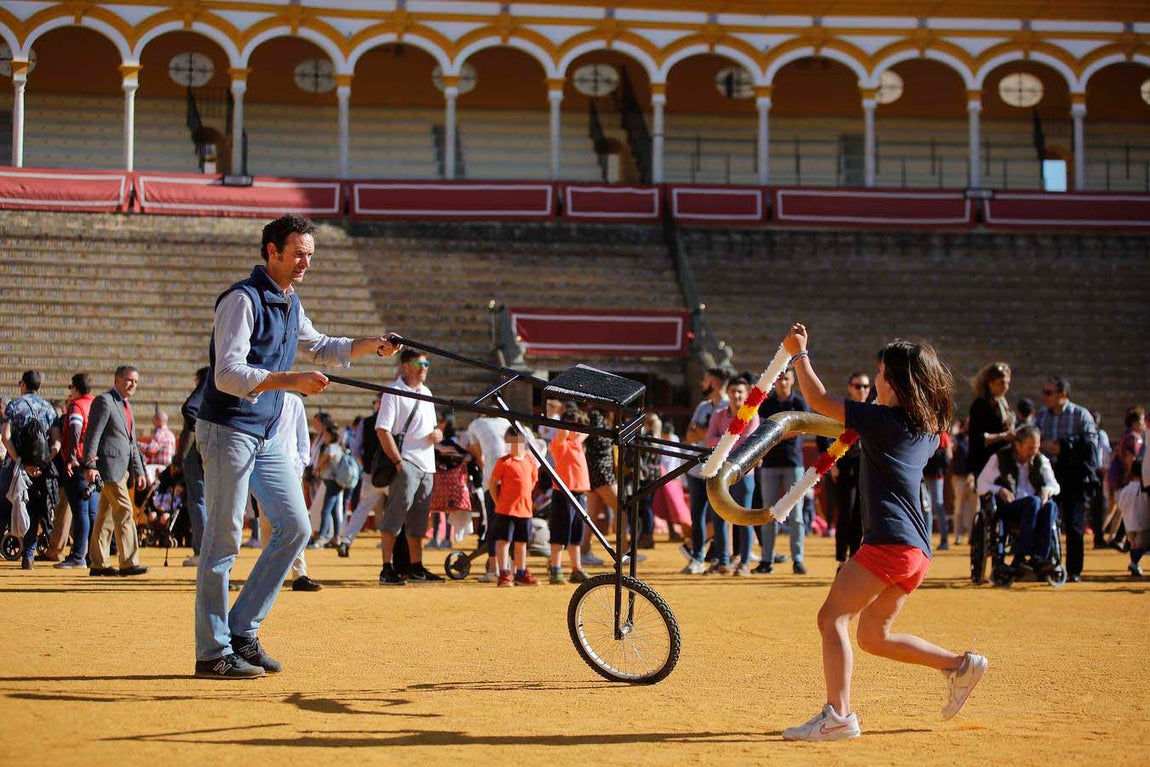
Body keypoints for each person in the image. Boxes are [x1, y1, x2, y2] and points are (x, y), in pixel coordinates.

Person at [193, 213, 397, 679]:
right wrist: (291, 381)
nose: (306, 262)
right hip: (227, 428)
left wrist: (373, 345)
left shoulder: (290, 301)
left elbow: (322, 346)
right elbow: (226, 375)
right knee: (223, 541)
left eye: (310, 254)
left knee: (295, 526)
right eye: (298, 254)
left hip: (262, 433)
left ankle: (242, 629)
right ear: (272, 252)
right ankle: (211, 651)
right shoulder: (241, 301)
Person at [779, 324, 985, 742]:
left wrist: (798, 354)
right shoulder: (925, 429)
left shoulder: (884, 420)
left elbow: (818, 400)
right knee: (874, 635)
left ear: (891, 380)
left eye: (879, 373)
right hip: (915, 549)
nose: (873, 379)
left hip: (890, 541)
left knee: (831, 617)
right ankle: (958, 665)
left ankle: (837, 715)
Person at [375, 349, 444, 586]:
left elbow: (432, 428)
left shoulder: (427, 392)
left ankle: (416, 566)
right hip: (407, 462)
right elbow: (382, 429)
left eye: (427, 362)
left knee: (419, 520)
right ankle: (386, 567)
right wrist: (398, 463)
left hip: (427, 464)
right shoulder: (394, 392)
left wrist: (437, 434)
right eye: (419, 363)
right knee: (395, 516)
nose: (424, 366)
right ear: (405, 366)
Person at [82, 366, 148, 578]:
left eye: (136, 382)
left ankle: (98, 563)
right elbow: (93, 434)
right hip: (109, 468)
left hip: (123, 469)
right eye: (129, 380)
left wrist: (138, 471)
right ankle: (128, 562)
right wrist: (90, 465)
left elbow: (132, 443)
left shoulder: (127, 406)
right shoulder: (104, 401)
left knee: (106, 516)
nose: (133, 385)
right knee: (125, 511)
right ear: (117, 379)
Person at [1034, 377, 1098, 583]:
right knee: (1045, 519)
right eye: (1044, 392)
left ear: (1063, 395)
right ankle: (1045, 565)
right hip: (1048, 475)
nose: (1045, 396)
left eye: (1049, 392)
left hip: (1074, 476)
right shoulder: (1041, 417)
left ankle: (1074, 570)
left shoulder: (1081, 415)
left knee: (1074, 525)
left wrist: (1063, 447)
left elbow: (1090, 444)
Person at [976, 424, 1060, 575]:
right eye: (1030, 448)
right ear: (1017, 444)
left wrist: (1047, 490)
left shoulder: (1040, 459)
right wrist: (999, 489)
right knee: (1033, 502)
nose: (1034, 452)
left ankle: (1039, 558)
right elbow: (980, 484)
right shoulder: (1000, 457)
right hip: (1011, 507)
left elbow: (1054, 485)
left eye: (1036, 447)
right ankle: (1020, 556)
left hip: (1036, 506)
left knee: (1051, 506)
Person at [260, 393, 322, 592]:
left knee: (298, 521)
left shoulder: (294, 402)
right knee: (267, 523)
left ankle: (299, 574)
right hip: (264, 468)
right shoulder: (259, 398)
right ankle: (268, 575)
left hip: (291, 470)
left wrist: (300, 465)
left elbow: (303, 438)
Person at [1, 370, 60, 570]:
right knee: (34, 508)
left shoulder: (14, 405)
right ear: (39, 387)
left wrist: (18, 460)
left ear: (22, 385)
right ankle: (28, 557)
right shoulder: (50, 409)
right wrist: (42, 463)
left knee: (4, 505)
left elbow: (5, 436)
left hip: (14, 466)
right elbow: (56, 443)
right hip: (39, 470)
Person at [702, 374, 759, 576]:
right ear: (727, 392)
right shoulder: (718, 414)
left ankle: (744, 561)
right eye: (733, 391)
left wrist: (722, 443)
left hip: (744, 473)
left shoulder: (752, 416)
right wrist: (725, 444)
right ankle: (724, 561)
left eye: (740, 392)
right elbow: (709, 439)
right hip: (721, 475)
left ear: (746, 395)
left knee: (744, 516)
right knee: (720, 517)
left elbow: (745, 445)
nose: (736, 395)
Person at [757, 367, 811, 575]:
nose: (783, 383)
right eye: (780, 379)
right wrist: (784, 432)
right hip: (771, 463)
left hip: (793, 463)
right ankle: (766, 559)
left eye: (786, 379)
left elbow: (803, 427)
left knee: (796, 515)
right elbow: (762, 430)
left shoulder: (798, 402)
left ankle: (797, 559)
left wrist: (776, 434)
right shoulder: (768, 404)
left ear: (792, 381)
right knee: (768, 513)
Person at [681, 368, 729, 574]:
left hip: (719, 470)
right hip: (697, 469)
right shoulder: (703, 406)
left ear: (715, 384)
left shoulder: (730, 407)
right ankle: (698, 557)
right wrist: (709, 434)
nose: (702, 384)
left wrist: (705, 433)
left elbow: (721, 441)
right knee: (697, 515)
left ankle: (721, 558)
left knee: (720, 516)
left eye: (706, 380)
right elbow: (689, 436)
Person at [55, 373, 98, 569]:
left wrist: (71, 457)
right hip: (94, 463)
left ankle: (78, 555)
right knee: (91, 511)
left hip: (79, 461)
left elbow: (74, 429)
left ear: (75, 388)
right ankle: (91, 555)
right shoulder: (96, 404)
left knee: (80, 510)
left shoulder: (77, 405)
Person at [489, 427, 540, 586]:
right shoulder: (504, 462)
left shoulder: (530, 462)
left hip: (524, 511)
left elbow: (531, 483)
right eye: (509, 443)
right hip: (506, 510)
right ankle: (504, 572)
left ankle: (521, 572)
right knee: (503, 541)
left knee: (522, 542)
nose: (512, 446)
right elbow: (492, 484)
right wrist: (498, 502)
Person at [336, 394, 385, 557]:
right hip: (392, 475)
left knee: (361, 509)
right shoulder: (397, 421)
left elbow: (356, 450)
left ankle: (346, 541)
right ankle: (393, 545)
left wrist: (367, 467)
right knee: (398, 511)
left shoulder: (367, 422)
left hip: (371, 474)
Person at [548, 407, 590, 585]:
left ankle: (576, 568)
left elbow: (586, 431)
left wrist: (578, 423)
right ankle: (555, 569)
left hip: (579, 493)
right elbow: (562, 433)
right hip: (563, 494)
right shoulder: (560, 444)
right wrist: (564, 422)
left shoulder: (578, 444)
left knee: (576, 534)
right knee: (559, 533)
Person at [831, 371, 869, 567]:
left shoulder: (875, 410)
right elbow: (826, 435)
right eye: (857, 386)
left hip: (867, 469)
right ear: (850, 388)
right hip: (846, 466)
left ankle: (855, 557)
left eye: (864, 386)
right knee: (845, 513)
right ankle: (841, 558)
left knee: (861, 516)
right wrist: (833, 463)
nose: (861, 390)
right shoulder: (844, 410)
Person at [178, 367, 210, 568]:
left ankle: (202, 551)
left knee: (198, 500)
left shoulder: (207, 384)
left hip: (197, 451)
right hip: (211, 449)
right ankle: (205, 550)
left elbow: (189, 408)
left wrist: (202, 433)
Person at [967, 362, 1015, 480]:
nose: (1006, 387)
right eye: (1001, 383)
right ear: (991, 383)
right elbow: (977, 438)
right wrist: (1003, 436)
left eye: (1007, 383)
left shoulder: (1002, 402)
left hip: (1002, 462)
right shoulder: (981, 404)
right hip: (986, 463)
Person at [949, 417, 977, 546]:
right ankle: (959, 535)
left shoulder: (978, 437)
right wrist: (954, 431)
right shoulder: (958, 438)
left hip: (974, 478)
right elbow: (951, 447)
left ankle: (974, 535)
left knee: (975, 509)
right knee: (959, 507)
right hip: (959, 477)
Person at [140, 410, 176, 481]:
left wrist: (138, 445)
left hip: (159, 468)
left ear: (159, 420)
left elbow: (151, 450)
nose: (154, 424)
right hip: (168, 467)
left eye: (154, 421)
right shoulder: (171, 434)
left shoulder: (160, 433)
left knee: (143, 472)